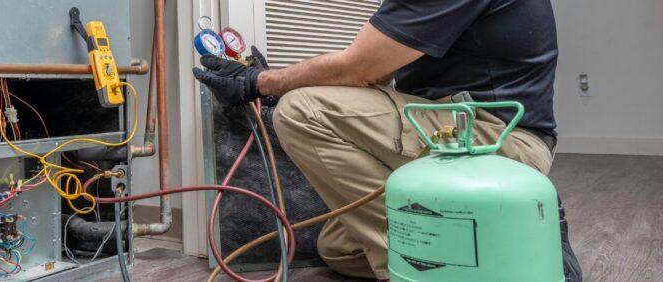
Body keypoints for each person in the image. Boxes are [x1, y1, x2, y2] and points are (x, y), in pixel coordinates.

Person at [194, 0, 581, 280]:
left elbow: (359, 68)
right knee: (338, 250)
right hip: (459, 128)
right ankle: (505, 242)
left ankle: (413, 270)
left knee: (301, 112)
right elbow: (375, 73)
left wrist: (259, 81)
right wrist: (278, 77)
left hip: (495, 140)